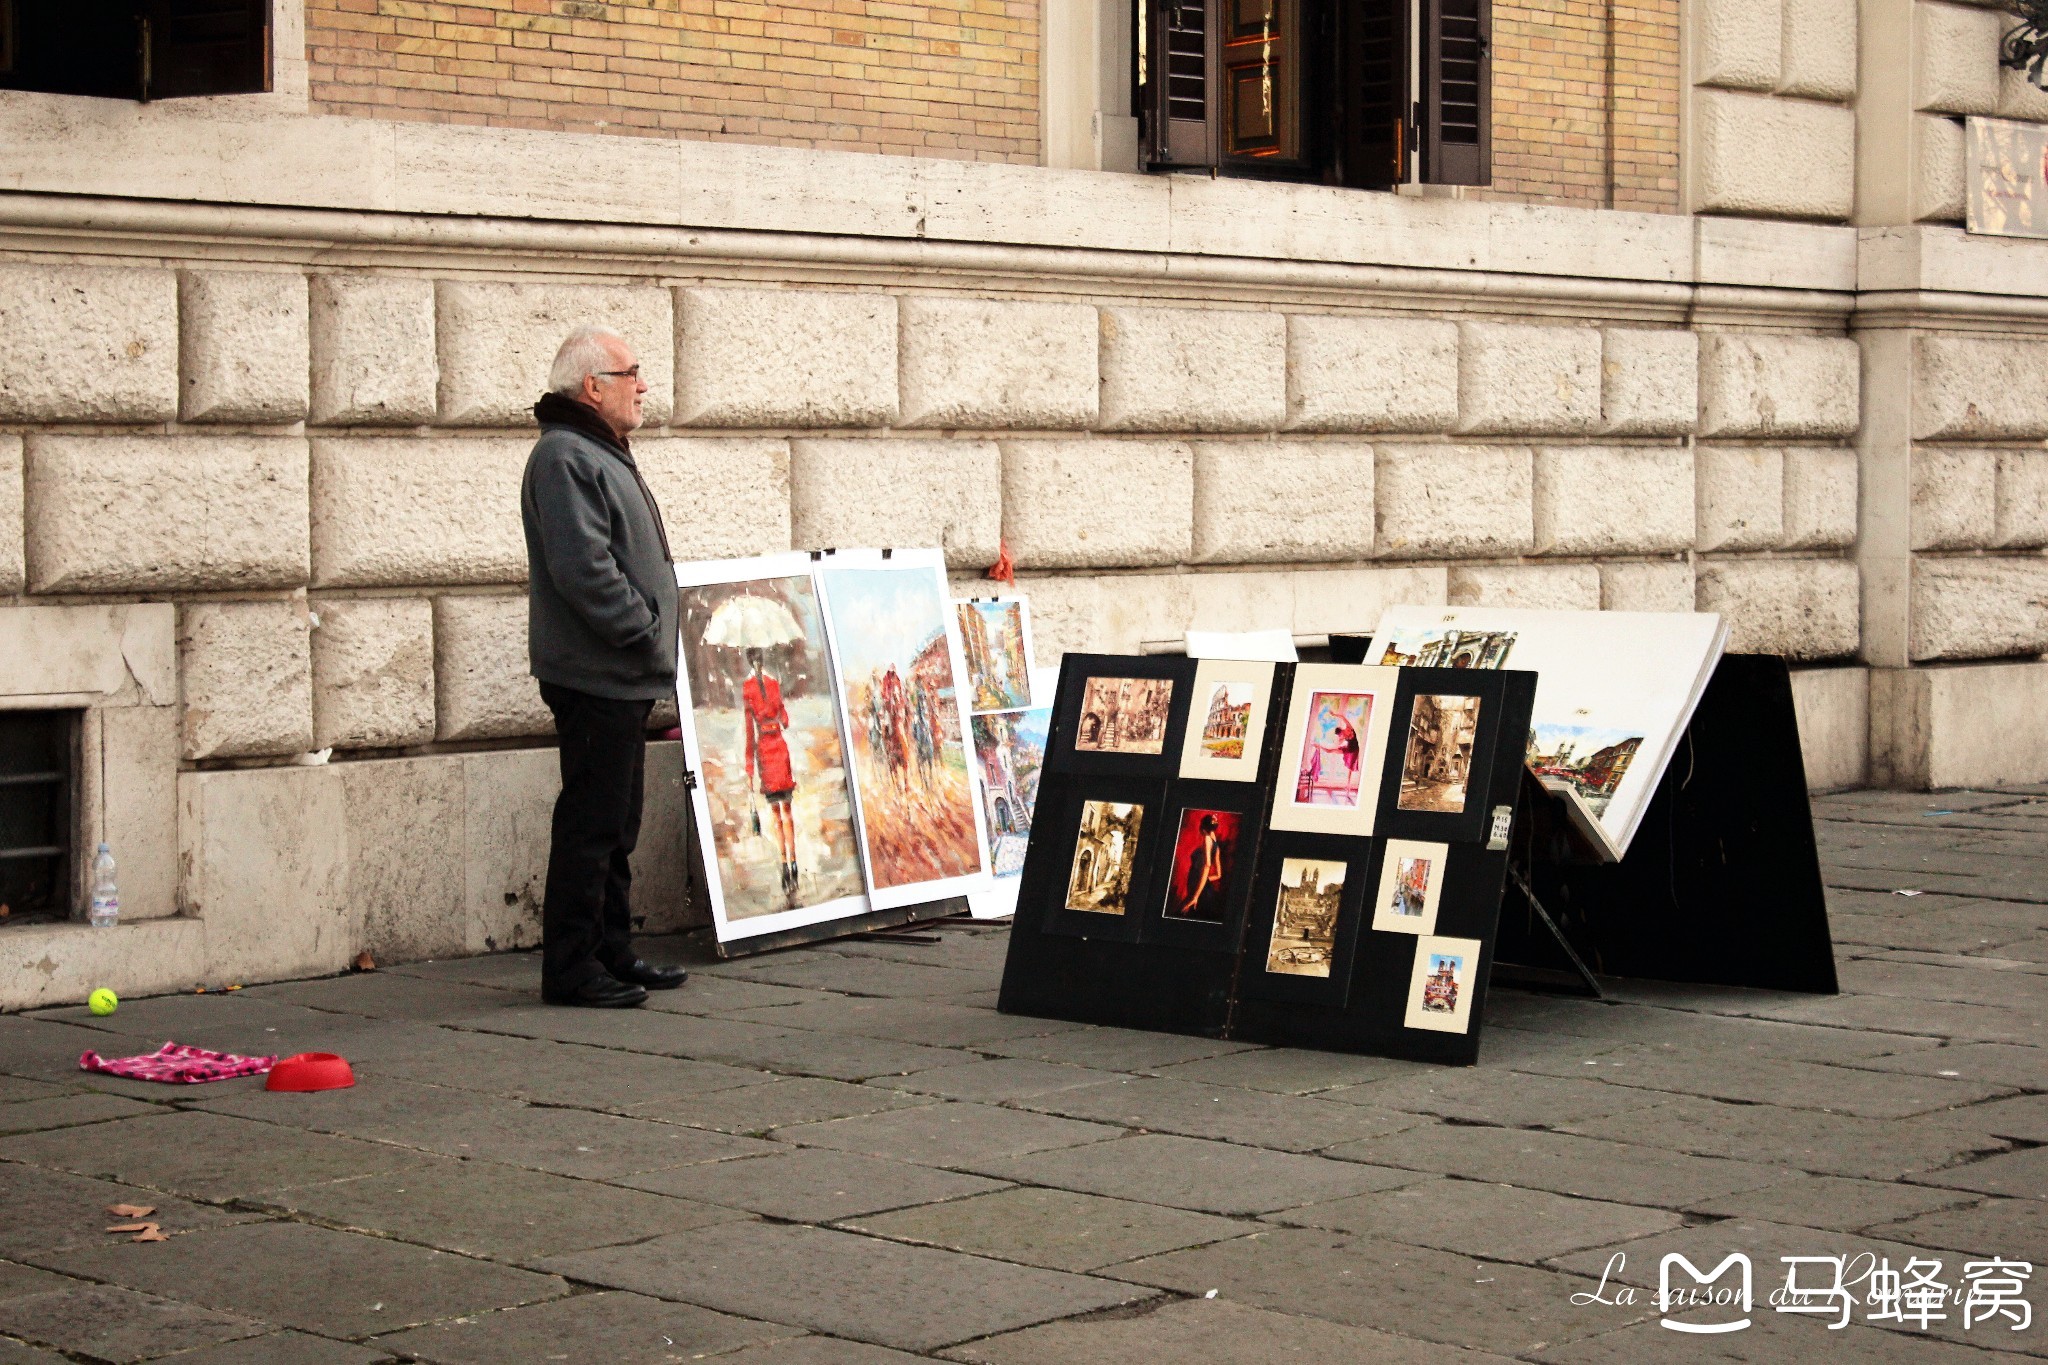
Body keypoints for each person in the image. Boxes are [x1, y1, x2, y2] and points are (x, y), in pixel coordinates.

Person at [522, 326, 689, 1008]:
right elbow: (584, 568)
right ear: (593, 386)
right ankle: (570, 966)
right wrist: (645, 631)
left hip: (619, 671)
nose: (643, 385)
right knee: (591, 825)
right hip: (597, 671)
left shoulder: (594, 451)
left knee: (616, 823)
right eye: (631, 372)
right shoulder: (565, 456)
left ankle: (609, 949)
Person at [741, 646, 800, 897]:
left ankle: (789, 864)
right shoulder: (773, 683)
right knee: (782, 812)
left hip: (768, 749)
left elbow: (749, 730)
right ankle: (790, 864)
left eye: (755, 660)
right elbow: (785, 719)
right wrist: (779, 716)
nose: (756, 663)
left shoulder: (750, 689)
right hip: (773, 748)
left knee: (781, 812)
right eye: (755, 660)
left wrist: (749, 768)